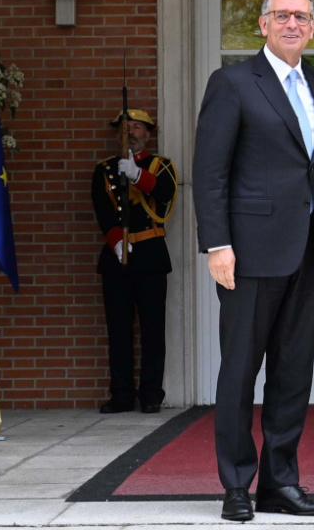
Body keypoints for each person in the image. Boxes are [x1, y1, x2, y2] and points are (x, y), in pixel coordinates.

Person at [193, 0, 314, 521]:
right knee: (240, 371)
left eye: (301, 16)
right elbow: (209, 171)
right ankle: (236, 484)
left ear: (313, 27)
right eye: (281, 15)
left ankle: (281, 483)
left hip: (307, 250)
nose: (291, 24)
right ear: (262, 24)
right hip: (249, 251)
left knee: (293, 372)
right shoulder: (233, 83)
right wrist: (217, 244)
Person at [91, 109, 177, 415]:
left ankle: (151, 393)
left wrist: (138, 176)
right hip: (118, 259)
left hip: (151, 256)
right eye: (125, 128)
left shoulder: (161, 166)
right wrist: (116, 241)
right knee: (119, 330)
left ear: (148, 134)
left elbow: (165, 193)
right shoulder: (104, 169)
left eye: (137, 127)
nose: (131, 132)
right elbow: (102, 210)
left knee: (153, 330)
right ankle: (122, 393)